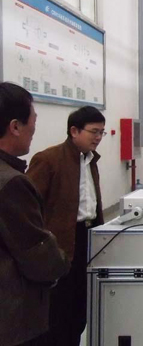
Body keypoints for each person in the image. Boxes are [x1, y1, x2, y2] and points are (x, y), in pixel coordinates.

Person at [27, 106, 106, 345]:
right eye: (93, 131)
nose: (98, 137)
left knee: (80, 306)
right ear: (74, 131)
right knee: (59, 309)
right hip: (61, 243)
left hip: (87, 238)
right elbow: (28, 206)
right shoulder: (48, 160)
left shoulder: (90, 160)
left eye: (101, 132)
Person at [0, 82, 70, 346]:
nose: (34, 129)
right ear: (15, 126)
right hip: (12, 318)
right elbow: (37, 255)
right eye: (33, 121)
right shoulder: (12, 183)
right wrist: (62, 263)